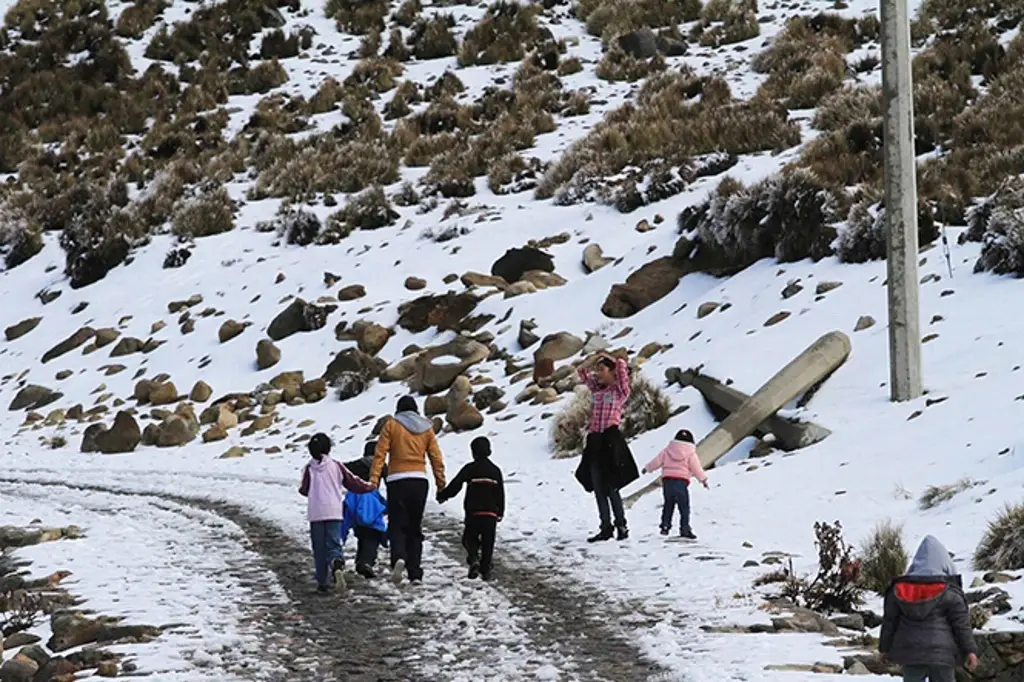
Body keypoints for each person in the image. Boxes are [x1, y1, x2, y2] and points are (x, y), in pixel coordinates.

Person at [879, 535, 979, 682]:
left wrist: (884, 649)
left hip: (911, 654)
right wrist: (970, 651)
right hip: (942, 655)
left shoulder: (899, 590)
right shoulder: (950, 592)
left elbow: (889, 622)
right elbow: (961, 625)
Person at [369, 396, 446, 584]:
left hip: (397, 481)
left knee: (397, 525)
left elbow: (380, 455)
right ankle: (415, 572)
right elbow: (436, 457)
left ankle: (399, 558)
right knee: (415, 527)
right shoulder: (427, 428)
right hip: (419, 481)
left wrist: (374, 481)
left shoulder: (391, 426)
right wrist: (441, 483)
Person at [573, 352, 639, 543]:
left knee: (612, 487)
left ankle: (621, 525)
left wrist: (606, 356)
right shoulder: (596, 390)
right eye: (597, 370)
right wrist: (594, 359)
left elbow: (621, 365)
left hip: (610, 440)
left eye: (602, 370)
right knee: (598, 488)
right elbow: (582, 371)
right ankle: (605, 527)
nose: (598, 374)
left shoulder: (619, 390)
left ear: (612, 372)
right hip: (595, 441)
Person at [298, 432, 374, 593]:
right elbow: (353, 482)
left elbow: (304, 490)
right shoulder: (337, 466)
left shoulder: (309, 469)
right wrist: (369, 486)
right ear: (329, 448)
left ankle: (322, 583)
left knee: (319, 548)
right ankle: (337, 563)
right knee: (333, 543)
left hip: (316, 513)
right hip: (334, 511)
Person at [437, 436, 505, 581]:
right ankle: (485, 569)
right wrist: (500, 512)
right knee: (488, 541)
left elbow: (457, 484)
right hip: (491, 513)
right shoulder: (495, 471)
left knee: (469, 538)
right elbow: (500, 492)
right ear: (489, 451)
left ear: (473, 452)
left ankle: (473, 559)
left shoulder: (470, 468)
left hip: (474, 512)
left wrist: (444, 495)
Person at [642, 429, 708, 539]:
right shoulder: (691, 453)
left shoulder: (668, 450)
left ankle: (665, 526)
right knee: (684, 507)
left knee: (668, 504)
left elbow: (657, 461)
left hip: (668, 482)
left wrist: (647, 468)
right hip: (681, 482)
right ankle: (685, 529)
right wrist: (703, 480)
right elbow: (696, 468)